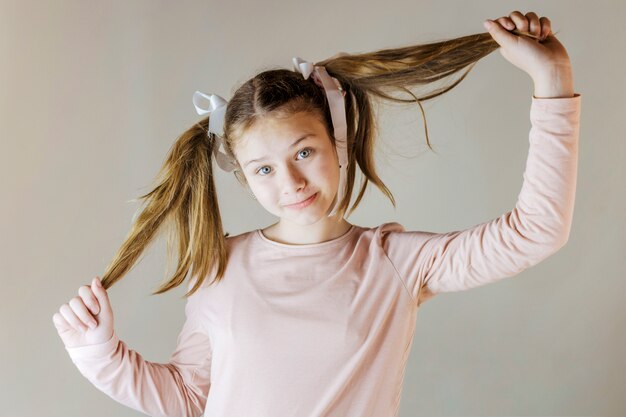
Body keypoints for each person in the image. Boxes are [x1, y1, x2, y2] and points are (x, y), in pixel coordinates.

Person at [52, 11, 581, 417]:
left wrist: (553, 78)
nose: (291, 183)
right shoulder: (219, 267)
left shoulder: (394, 263)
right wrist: (100, 353)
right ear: (243, 175)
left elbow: (535, 231)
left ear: (338, 141)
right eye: (264, 169)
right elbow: (192, 398)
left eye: (303, 152)